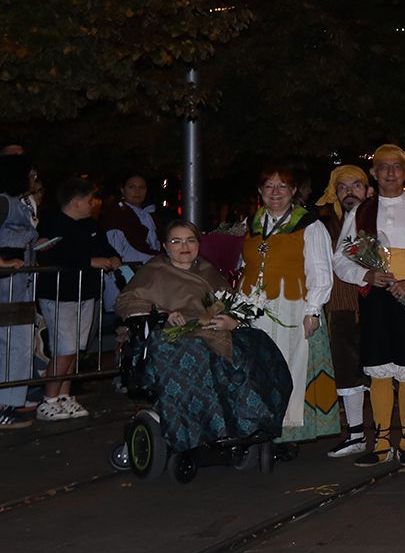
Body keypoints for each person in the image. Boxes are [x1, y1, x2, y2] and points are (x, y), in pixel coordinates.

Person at [117, 221, 292, 454]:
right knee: (196, 352)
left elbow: (230, 302)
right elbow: (127, 303)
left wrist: (232, 320)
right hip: (171, 334)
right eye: (176, 241)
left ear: (198, 244)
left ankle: (253, 420)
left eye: (190, 240)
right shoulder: (153, 271)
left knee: (257, 344)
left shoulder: (208, 270)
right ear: (165, 246)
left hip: (214, 329)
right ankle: (203, 428)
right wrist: (163, 315)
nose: (184, 246)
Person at [333, 144, 405, 466]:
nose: (390, 172)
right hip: (376, 299)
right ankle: (381, 442)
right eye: (383, 167)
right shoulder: (360, 213)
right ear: (374, 172)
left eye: (396, 166)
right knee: (379, 369)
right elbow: (340, 259)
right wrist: (367, 274)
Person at [237, 164, 341, 447]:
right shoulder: (251, 224)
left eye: (282, 186)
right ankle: (259, 421)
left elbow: (320, 269)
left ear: (293, 191)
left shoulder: (308, 225)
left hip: (291, 307)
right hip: (253, 309)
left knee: (287, 364)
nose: (275, 192)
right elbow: (244, 266)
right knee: (256, 367)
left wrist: (313, 310)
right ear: (260, 191)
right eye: (269, 186)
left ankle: (287, 428)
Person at [34, 179, 120, 421]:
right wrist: (89, 262)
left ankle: (64, 395)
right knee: (64, 347)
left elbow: (105, 247)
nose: (94, 204)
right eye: (90, 200)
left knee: (75, 347)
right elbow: (54, 255)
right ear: (76, 202)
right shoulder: (52, 223)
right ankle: (48, 398)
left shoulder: (91, 225)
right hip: (61, 295)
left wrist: (112, 257)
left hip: (87, 293)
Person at [314, 164, 373, 457]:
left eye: (356, 185)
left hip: (378, 303)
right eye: (343, 187)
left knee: (382, 369)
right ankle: (356, 434)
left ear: (368, 189)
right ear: (334, 193)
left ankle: (388, 434)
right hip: (341, 305)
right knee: (348, 371)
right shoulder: (324, 226)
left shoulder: (379, 219)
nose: (350, 192)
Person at [0, 154, 38, 430]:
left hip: (18, 287)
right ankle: (6, 405)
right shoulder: (3, 203)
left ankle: (11, 401)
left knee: (18, 345)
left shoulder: (17, 204)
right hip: (6, 288)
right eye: (29, 173)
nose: (33, 179)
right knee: (11, 344)